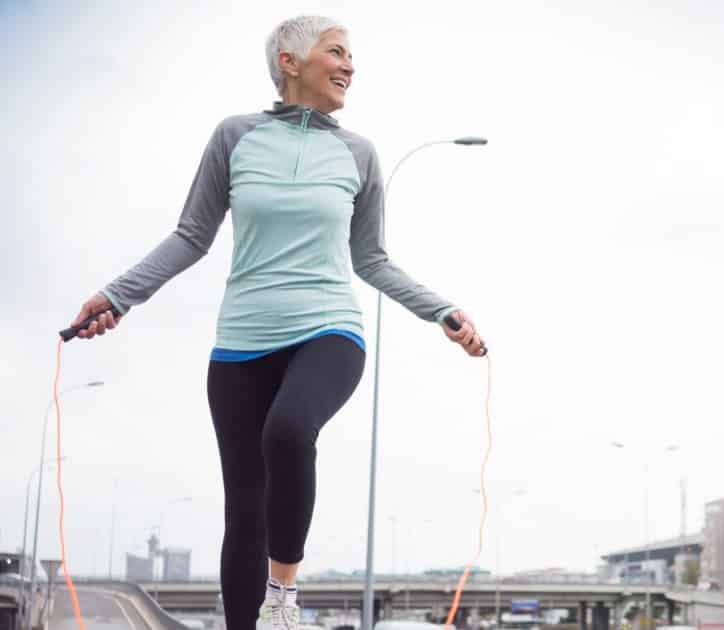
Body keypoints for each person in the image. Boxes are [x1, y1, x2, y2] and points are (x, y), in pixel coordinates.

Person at [67, 15, 485, 630]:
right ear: (289, 62)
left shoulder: (358, 154)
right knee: (245, 509)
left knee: (289, 430)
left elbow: (370, 260)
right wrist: (116, 296)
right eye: (337, 52)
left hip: (328, 330)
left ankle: (282, 597)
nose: (350, 65)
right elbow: (190, 237)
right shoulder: (234, 137)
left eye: (352, 56)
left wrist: (440, 309)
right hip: (240, 344)